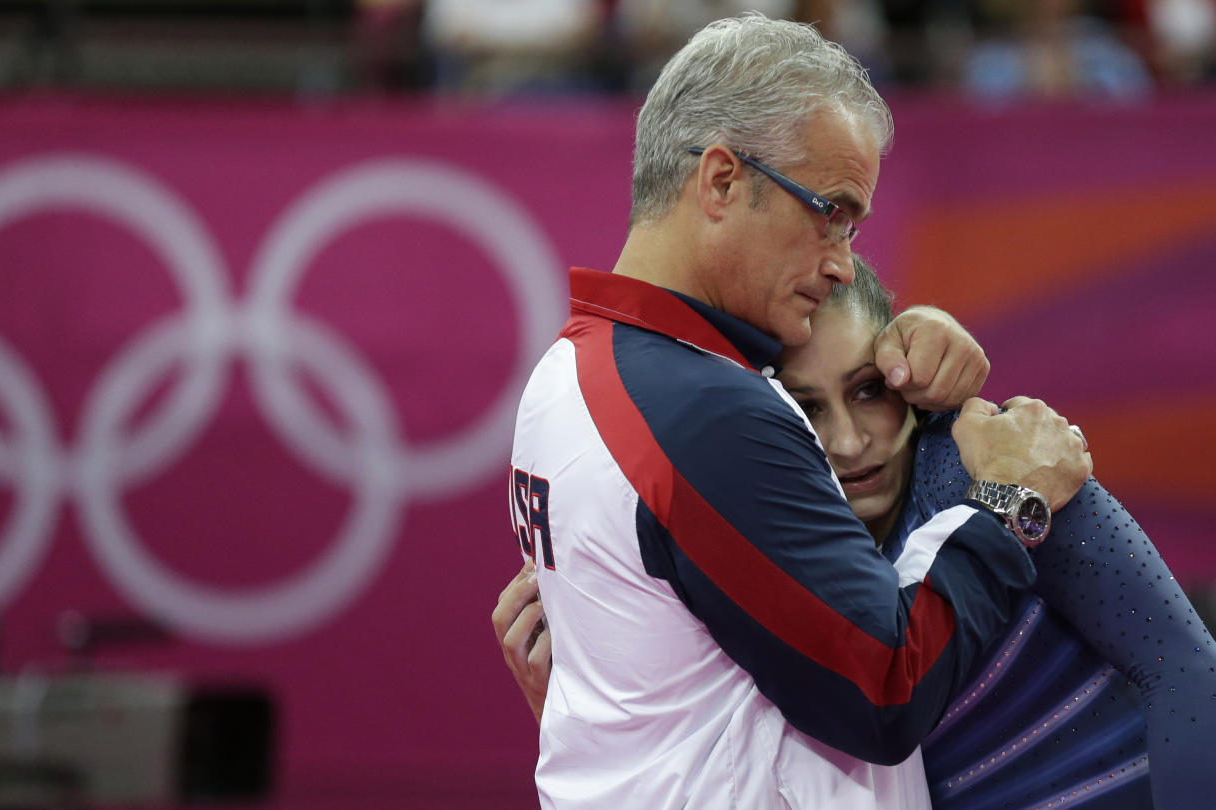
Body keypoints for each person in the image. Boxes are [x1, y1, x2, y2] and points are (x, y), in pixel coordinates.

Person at [508, 14, 1091, 809]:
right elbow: (884, 690)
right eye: (831, 212)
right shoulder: (708, 411)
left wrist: (920, 336)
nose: (840, 260)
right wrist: (1008, 502)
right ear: (720, 180)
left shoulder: (568, 369)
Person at [498, 257, 1216, 808]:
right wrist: (579, 707)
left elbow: (1185, 669)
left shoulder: (991, 465)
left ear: (907, 377)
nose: (847, 442)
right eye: (804, 408)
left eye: (867, 390)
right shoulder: (741, 547)